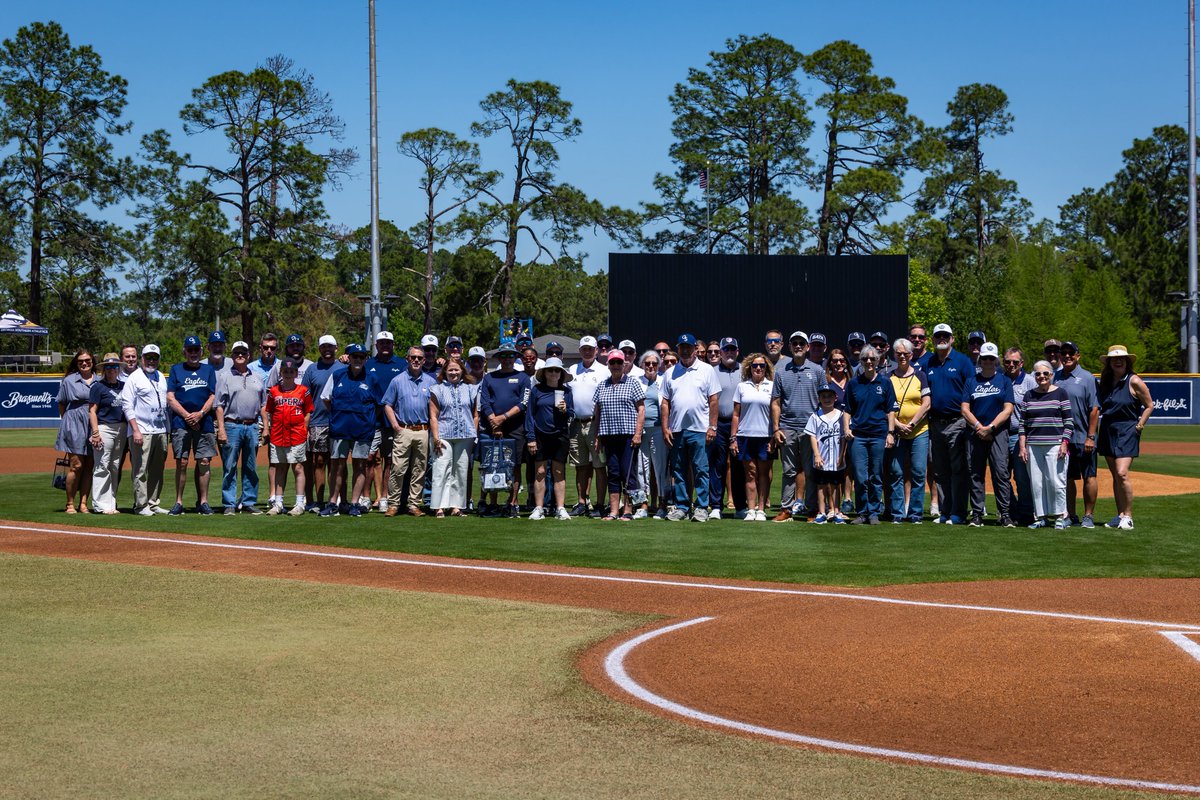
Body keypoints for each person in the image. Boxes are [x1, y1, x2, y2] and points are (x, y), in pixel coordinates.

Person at [661, 333, 720, 521]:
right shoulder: (670, 372)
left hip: (700, 429)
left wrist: (712, 427)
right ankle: (682, 507)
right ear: (678, 349)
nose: (685, 351)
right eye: (682, 347)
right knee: (678, 470)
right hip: (677, 430)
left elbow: (713, 400)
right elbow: (665, 403)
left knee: (701, 469)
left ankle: (702, 507)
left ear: (695, 349)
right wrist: (665, 428)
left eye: (689, 347)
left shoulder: (706, 370)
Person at [1096, 345, 1154, 530]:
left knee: (1122, 473)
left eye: (1121, 358)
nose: (1118, 361)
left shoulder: (1134, 380)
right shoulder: (1105, 381)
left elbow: (1149, 405)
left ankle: (1128, 515)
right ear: (1109, 363)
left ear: (1127, 361)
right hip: (1107, 429)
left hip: (1128, 429)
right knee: (1115, 475)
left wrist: (1139, 426)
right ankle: (1120, 514)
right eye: (1114, 359)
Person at [961, 343, 1015, 527]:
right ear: (980, 360)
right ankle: (977, 513)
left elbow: (1008, 409)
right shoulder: (971, 381)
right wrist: (979, 427)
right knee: (975, 473)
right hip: (975, 432)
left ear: (996, 360)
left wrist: (990, 428)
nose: (988, 361)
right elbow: (965, 408)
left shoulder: (1004, 381)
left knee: (1000, 472)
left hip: (998, 432)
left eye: (991, 358)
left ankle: (1004, 513)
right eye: (984, 358)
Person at [843, 345, 898, 524]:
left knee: (876, 475)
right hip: (858, 436)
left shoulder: (885, 382)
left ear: (877, 361)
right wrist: (846, 428)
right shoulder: (853, 383)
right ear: (861, 361)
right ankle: (862, 512)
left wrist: (890, 433)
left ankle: (873, 512)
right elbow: (847, 410)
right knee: (860, 476)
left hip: (878, 435)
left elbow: (890, 410)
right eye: (865, 359)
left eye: (872, 359)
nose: (868, 362)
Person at [925, 324, 973, 525]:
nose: (941, 339)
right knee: (940, 470)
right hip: (936, 423)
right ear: (933, 339)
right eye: (938, 336)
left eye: (945, 336)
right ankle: (945, 511)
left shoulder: (963, 361)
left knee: (958, 469)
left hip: (958, 422)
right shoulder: (930, 362)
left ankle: (958, 512)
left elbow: (972, 389)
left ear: (952, 339)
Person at [770, 331, 821, 522]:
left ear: (807, 347)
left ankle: (812, 509)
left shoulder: (817, 370)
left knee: (810, 470)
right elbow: (776, 401)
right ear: (790, 347)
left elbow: (824, 400)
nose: (798, 346)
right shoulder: (782, 372)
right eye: (795, 343)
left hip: (810, 429)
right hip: (787, 427)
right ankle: (786, 509)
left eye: (802, 343)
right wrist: (776, 428)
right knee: (789, 471)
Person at [320, 343, 376, 517]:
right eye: (354, 356)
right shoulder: (337, 375)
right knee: (337, 466)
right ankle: (332, 503)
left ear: (365, 359)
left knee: (360, 466)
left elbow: (379, 404)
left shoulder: (372, 378)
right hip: (340, 428)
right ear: (348, 358)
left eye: (361, 357)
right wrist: (338, 415)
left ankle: (354, 504)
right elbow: (326, 399)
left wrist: (366, 419)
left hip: (362, 430)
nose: (358, 360)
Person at [382, 346, 438, 517]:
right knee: (398, 468)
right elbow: (387, 404)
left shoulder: (430, 382)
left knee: (419, 469)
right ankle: (393, 504)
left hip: (423, 430)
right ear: (407, 359)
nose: (416, 360)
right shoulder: (397, 380)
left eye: (419, 358)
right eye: (413, 357)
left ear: (424, 360)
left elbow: (435, 409)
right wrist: (395, 426)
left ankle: (413, 504)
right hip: (403, 429)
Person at [166, 336, 218, 515]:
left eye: (196, 349)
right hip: (181, 423)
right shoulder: (176, 369)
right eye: (190, 350)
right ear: (185, 351)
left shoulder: (208, 370)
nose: (193, 353)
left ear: (201, 351)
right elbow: (170, 397)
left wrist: (201, 414)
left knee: (204, 461)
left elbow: (212, 395)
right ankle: (178, 502)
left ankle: (203, 501)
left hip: (205, 422)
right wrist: (187, 416)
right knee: (182, 462)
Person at [1018, 361, 1073, 529]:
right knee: (1036, 483)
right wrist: (1022, 447)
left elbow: (1069, 421)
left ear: (1051, 375)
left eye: (1045, 374)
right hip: (1033, 446)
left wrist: (1064, 443)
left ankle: (1059, 517)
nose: (1041, 377)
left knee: (1056, 482)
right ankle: (1041, 517)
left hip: (1055, 445)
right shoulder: (1029, 395)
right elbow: (1023, 424)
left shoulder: (1060, 393)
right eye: (1038, 374)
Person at [479, 343, 531, 517]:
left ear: (515, 358)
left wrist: (504, 417)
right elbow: (485, 401)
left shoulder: (523, 377)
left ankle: (513, 502)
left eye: (511, 356)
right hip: (492, 426)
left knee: (514, 465)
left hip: (516, 427)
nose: (508, 359)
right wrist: (494, 420)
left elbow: (523, 403)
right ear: (499, 358)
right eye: (504, 356)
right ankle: (492, 503)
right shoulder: (489, 378)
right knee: (492, 464)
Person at [592, 350, 645, 520]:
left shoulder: (633, 383)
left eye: (619, 362)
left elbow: (641, 410)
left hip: (628, 436)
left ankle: (628, 511)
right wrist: (598, 436)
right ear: (608, 364)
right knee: (613, 473)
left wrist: (638, 434)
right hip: (608, 435)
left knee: (628, 473)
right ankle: (614, 511)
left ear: (624, 364)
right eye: (612, 362)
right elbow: (598, 412)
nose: (616, 365)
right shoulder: (602, 385)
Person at [215, 341, 267, 514]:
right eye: (237, 352)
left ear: (248, 355)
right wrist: (221, 429)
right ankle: (229, 503)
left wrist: (265, 427)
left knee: (251, 466)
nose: (240, 355)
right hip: (232, 425)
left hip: (252, 425)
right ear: (232, 355)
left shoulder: (257, 376)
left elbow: (263, 405)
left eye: (243, 352)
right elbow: (219, 405)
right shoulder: (225, 376)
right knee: (229, 466)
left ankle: (248, 501)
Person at [1053, 340, 1100, 528]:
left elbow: (1094, 409)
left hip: (1082, 437)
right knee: (1068, 478)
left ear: (1078, 355)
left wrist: (1090, 436)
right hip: (1063, 439)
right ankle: (1070, 514)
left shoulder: (1087, 378)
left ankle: (1088, 515)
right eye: (1063, 353)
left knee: (1089, 476)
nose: (1067, 356)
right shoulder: (1055, 377)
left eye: (1070, 353)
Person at [121, 345, 170, 516]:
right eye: (148, 357)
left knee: (157, 469)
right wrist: (135, 430)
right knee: (140, 470)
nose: (151, 361)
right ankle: (141, 505)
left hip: (160, 429)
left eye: (154, 358)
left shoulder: (161, 377)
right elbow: (127, 405)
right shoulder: (134, 378)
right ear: (142, 359)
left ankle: (153, 502)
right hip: (141, 429)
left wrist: (167, 430)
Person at [429, 356, 479, 517]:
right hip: (444, 434)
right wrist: (435, 437)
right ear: (445, 371)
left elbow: (475, 414)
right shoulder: (437, 389)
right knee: (441, 469)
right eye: (450, 369)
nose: (453, 372)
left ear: (462, 371)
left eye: (456, 369)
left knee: (461, 470)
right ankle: (439, 507)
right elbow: (433, 416)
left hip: (466, 435)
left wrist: (474, 433)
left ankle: (456, 506)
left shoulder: (471, 389)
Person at [525, 356, 574, 520]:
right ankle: (539, 508)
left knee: (558, 471)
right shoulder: (537, 390)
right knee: (539, 471)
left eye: (557, 370)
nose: (553, 373)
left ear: (561, 374)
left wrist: (565, 409)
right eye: (550, 370)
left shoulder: (567, 392)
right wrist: (531, 438)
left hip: (560, 435)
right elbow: (530, 415)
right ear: (545, 373)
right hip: (540, 435)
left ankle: (560, 508)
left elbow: (572, 414)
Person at [888, 338, 930, 524]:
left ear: (912, 355)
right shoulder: (889, 378)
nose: (903, 356)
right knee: (896, 472)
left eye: (906, 353)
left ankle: (915, 513)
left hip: (919, 430)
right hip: (897, 431)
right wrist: (897, 425)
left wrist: (911, 424)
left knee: (918, 472)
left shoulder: (920, 375)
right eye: (899, 353)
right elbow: (885, 406)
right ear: (894, 355)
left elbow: (927, 403)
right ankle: (897, 512)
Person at [262, 359, 312, 516]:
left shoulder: (303, 390)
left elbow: (308, 411)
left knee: (298, 467)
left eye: (291, 372)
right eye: (285, 371)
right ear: (281, 373)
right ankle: (278, 503)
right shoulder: (274, 391)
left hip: (297, 435)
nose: (288, 374)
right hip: (278, 435)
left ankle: (299, 504)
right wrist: (267, 428)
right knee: (280, 468)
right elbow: (267, 410)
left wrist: (304, 429)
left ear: (296, 373)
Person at [301, 335, 345, 512]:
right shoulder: (312, 369)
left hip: (339, 422)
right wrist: (306, 424)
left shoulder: (343, 368)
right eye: (324, 347)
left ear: (336, 348)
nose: (327, 350)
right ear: (319, 349)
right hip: (317, 421)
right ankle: (319, 501)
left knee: (338, 462)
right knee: (318, 461)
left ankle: (340, 500)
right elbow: (305, 398)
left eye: (330, 346)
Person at [729, 353, 774, 521]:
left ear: (766, 368)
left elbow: (777, 412)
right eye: (755, 365)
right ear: (749, 367)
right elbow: (736, 414)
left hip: (766, 436)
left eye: (762, 366)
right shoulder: (742, 386)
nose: (758, 368)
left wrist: (774, 437)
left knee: (764, 473)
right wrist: (733, 438)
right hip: (744, 436)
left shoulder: (773, 386)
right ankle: (750, 509)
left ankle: (761, 510)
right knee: (750, 474)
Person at [366, 331, 405, 512]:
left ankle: (384, 497)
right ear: (376, 346)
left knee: (389, 459)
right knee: (371, 458)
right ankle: (370, 496)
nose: (385, 346)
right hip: (373, 419)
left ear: (393, 345)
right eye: (382, 343)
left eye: (388, 343)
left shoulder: (401, 364)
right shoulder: (369, 364)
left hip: (393, 420)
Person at [568, 336, 606, 516]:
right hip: (576, 424)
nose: (587, 351)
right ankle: (581, 501)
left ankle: (599, 504)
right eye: (584, 348)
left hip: (595, 424)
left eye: (591, 348)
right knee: (580, 465)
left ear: (596, 350)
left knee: (599, 465)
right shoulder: (573, 369)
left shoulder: (604, 371)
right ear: (580, 350)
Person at [708, 337, 746, 519]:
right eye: (726, 350)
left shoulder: (745, 371)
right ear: (720, 353)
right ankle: (716, 505)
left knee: (739, 465)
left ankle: (740, 506)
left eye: (733, 349)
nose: (729, 352)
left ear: (737, 352)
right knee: (718, 464)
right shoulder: (712, 371)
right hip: (719, 423)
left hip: (740, 424)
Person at [56, 349, 96, 514]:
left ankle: (84, 503)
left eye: (87, 360)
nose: (84, 363)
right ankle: (70, 503)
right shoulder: (69, 380)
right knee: (76, 465)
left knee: (89, 466)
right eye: (80, 361)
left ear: (92, 361)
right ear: (76, 363)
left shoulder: (99, 380)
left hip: (93, 423)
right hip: (74, 423)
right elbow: (62, 404)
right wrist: (68, 422)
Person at [1003, 347, 1039, 525]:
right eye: (1007, 361)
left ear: (1022, 363)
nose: (1011, 365)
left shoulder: (1029, 382)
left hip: (1020, 435)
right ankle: (1010, 509)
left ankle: (1026, 512)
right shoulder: (999, 379)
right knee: (1001, 475)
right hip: (1000, 434)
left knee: (1021, 476)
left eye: (1015, 362)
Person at [87, 353, 126, 514]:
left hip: (121, 428)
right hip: (104, 428)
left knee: (115, 466)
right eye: (108, 367)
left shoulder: (123, 385)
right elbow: (92, 411)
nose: (111, 370)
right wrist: (95, 432)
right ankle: (100, 504)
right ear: (103, 369)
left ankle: (111, 503)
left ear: (119, 369)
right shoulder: (98, 387)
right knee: (102, 465)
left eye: (115, 366)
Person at [805, 383, 849, 524]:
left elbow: (843, 438)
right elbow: (812, 436)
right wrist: (816, 455)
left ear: (835, 398)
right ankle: (822, 512)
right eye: (823, 396)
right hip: (822, 458)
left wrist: (842, 456)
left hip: (836, 458)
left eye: (830, 396)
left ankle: (836, 511)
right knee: (821, 485)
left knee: (836, 485)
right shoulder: (815, 416)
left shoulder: (841, 416)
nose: (827, 399)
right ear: (819, 398)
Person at [635, 350, 669, 519]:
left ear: (658, 365)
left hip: (658, 430)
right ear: (642, 365)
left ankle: (663, 504)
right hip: (641, 430)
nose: (650, 366)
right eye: (647, 363)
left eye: (654, 364)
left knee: (660, 468)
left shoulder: (663, 381)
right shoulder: (636, 382)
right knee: (641, 468)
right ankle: (643, 504)